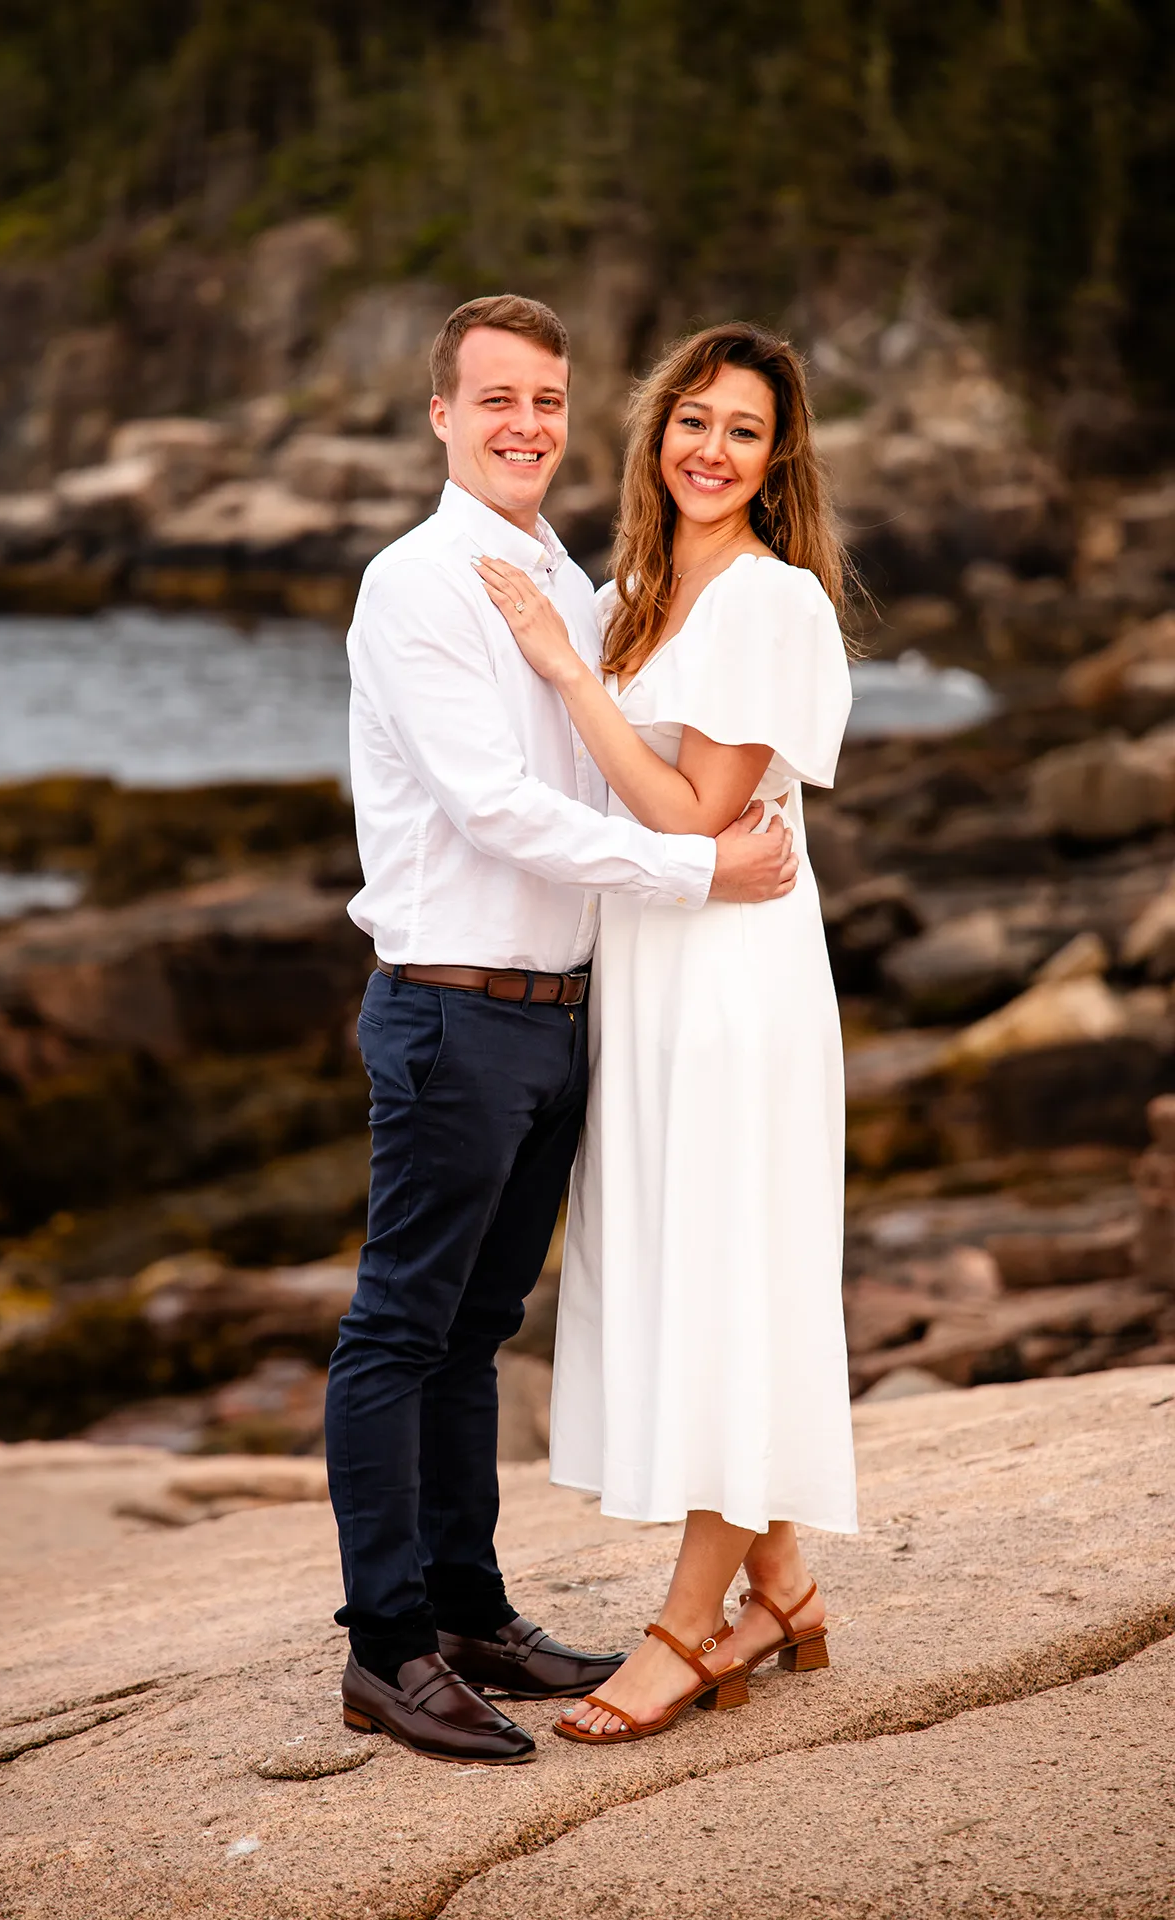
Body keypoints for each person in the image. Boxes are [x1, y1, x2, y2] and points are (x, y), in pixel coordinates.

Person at [325, 295, 800, 1766]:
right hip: (452, 1010)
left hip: (554, 1019)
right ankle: (389, 1650)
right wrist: (704, 866)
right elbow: (497, 811)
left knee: (477, 1330)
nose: (527, 423)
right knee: (400, 1328)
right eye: (496, 400)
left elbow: (617, 766)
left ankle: (470, 1613)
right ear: (441, 419)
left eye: (548, 397)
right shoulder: (415, 587)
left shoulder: (565, 583)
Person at [473, 320, 857, 1745]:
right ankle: (786, 1596)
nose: (711, 450)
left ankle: (690, 1631)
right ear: (657, 434)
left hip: (734, 986)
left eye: (743, 431)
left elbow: (698, 815)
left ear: (777, 458)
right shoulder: (634, 590)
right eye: (692, 420)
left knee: (725, 1285)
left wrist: (564, 676)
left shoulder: (771, 603)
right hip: (646, 974)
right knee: (689, 1272)